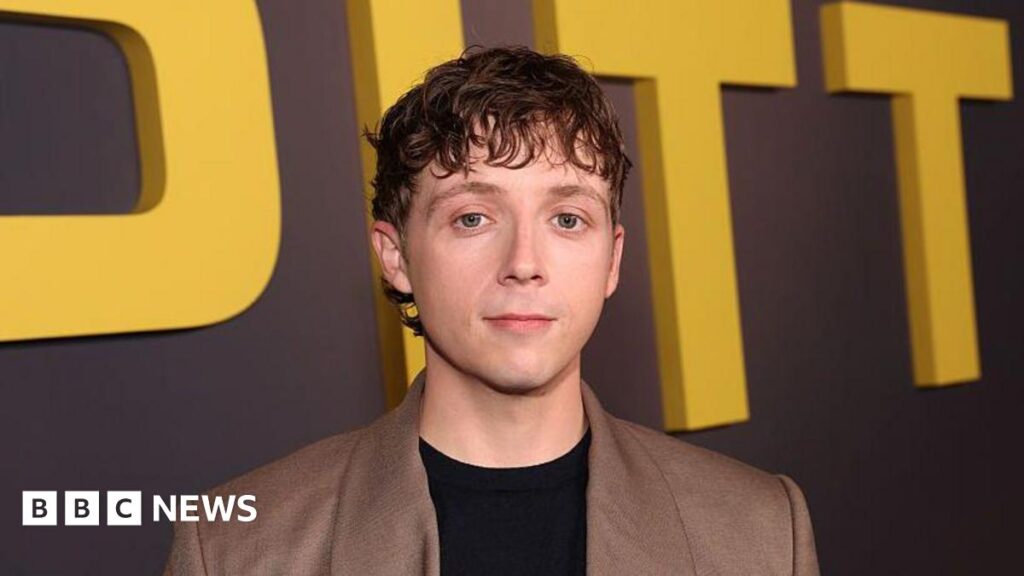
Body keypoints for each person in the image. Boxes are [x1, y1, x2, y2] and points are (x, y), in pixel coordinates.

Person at [162, 45, 820, 576]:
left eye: (567, 218)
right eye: (473, 217)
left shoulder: (760, 532)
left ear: (612, 260)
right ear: (397, 258)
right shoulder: (235, 549)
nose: (525, 260)